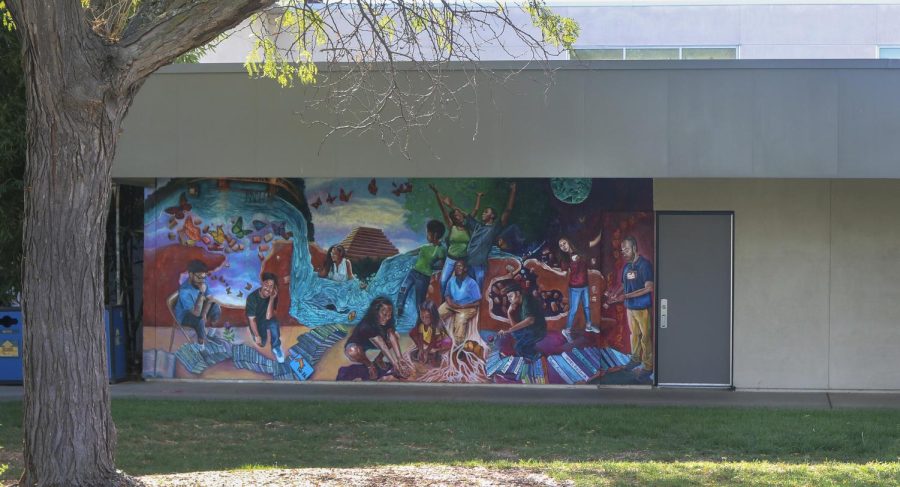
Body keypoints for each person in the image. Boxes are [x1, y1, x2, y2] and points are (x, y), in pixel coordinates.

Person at [436, 182, 517, 288]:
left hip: (479, 266)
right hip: (467, 264)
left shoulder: (494, 228)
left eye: (486, 212)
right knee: (466, 290)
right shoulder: (477, 226)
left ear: (492, 216)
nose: (483, 213)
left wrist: (513, 191)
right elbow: (465, 215)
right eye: (483, 212)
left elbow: (508, 210)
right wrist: (451, 206)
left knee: (478, 291)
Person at [345, 297, 411, 380]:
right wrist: (395, 364)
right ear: (376, 312)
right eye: (384, 314)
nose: (387, 318)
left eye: (389, 315)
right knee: (352, 351)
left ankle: (379, 359)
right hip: (358, 344)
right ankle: (370, 365)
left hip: (372, 342)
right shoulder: (367, 325)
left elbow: (391, 335)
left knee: (396, 335)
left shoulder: (389, 320)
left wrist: (400, 358)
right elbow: (381, 345)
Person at [550, 234, 603, 336]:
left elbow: (593, 243)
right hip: (574, 287)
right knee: (573, 309)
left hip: (585, 285)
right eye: (560, 245)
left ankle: (588, 326)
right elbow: (563, 272)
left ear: (568, 242)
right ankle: (567, 330)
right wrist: (550, 270)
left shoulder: (580, 250)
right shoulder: (564, 259)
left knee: (587, 306)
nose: (563, 246)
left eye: (564, 243)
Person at [620, 236, 654, 379]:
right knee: (634, 335)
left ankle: (648, 366)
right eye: (622, 250)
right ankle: (635, 359)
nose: (624, 253)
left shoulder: (644, 264)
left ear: (634, 248)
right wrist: (614, 294)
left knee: (645, 338)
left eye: (626, 249)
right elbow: (623, 286)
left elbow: (649, 288)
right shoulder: (627, 267)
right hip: (630, 308)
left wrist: (627, 296)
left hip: (643, 308)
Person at [397, 219, 446, 317]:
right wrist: (403, 255)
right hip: (413, 272)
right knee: (403, 289)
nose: (426, 235)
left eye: (428, 233)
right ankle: (399, 308)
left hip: (424, 277)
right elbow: (415, 251)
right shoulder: (425, 246)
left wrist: (432, 266)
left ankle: (420, 319)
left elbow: (442, 264)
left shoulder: (441, 249)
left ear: (435, 235)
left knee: (419, 300)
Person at [430, 184, 470, 298]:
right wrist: (437, 194)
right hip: (451, 258)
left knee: (464, 282)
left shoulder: (469, 227)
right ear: (453, 218)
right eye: (455, 215)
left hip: (464, 260)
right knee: (443, 281)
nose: (458, 216)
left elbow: (471, 216)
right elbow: (443, 209)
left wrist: (452, 206)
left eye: (459, 214)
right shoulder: (452, 226)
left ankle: (462, 302)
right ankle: (444, 302)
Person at [173, 260, 221, 351]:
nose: (202, 281)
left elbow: (210, 298)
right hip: (184, 315)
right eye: (199, 277)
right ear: (191, 275)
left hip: (198, 308)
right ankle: (201, 347)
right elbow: (195, 313)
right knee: (199, 321)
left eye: (204, 277)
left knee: (216, 307)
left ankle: (210, 335)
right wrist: (201, 294)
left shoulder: (202, 280)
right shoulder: (185, 291)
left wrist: (205, 313)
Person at [497, 281, 547, 361]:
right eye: (508, 297)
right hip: (530, 330)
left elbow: (530, 320)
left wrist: (509, 330)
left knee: (518, 347)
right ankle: (531, 350)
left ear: (517, 293)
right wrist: (509, 313)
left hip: (538, 330)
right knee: (514, 333)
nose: (509, 299)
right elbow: (515, 327)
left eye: (511, 296)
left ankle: (537, 356)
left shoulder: (527, 300)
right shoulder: (518, 304)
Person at [438, 260, 482, 343]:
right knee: (437, 314)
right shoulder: (451, 280)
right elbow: (447, 295)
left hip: (467, 308)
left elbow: (478, 302)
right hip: (452, 305)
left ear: (465, 269)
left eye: (460, 266)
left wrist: (463, 306)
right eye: (456, 266)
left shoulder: (472, 283)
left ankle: (457, 343)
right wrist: (450, 303)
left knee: (460, 320)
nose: (457, 268)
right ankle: (440, 337)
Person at [245, 272, 284, 363]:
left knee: (274, 323)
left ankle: (276, 347)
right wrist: (257, 335)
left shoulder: (273, 296)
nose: (268, 288)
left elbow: (268, 317)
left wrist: (271, 299)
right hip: (256, 323)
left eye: (271, 286)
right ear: (262, 283)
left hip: (266, 320)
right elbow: (252, 320)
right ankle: (259, 335)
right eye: (266, 284)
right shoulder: (252, 298)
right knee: (262, 343)